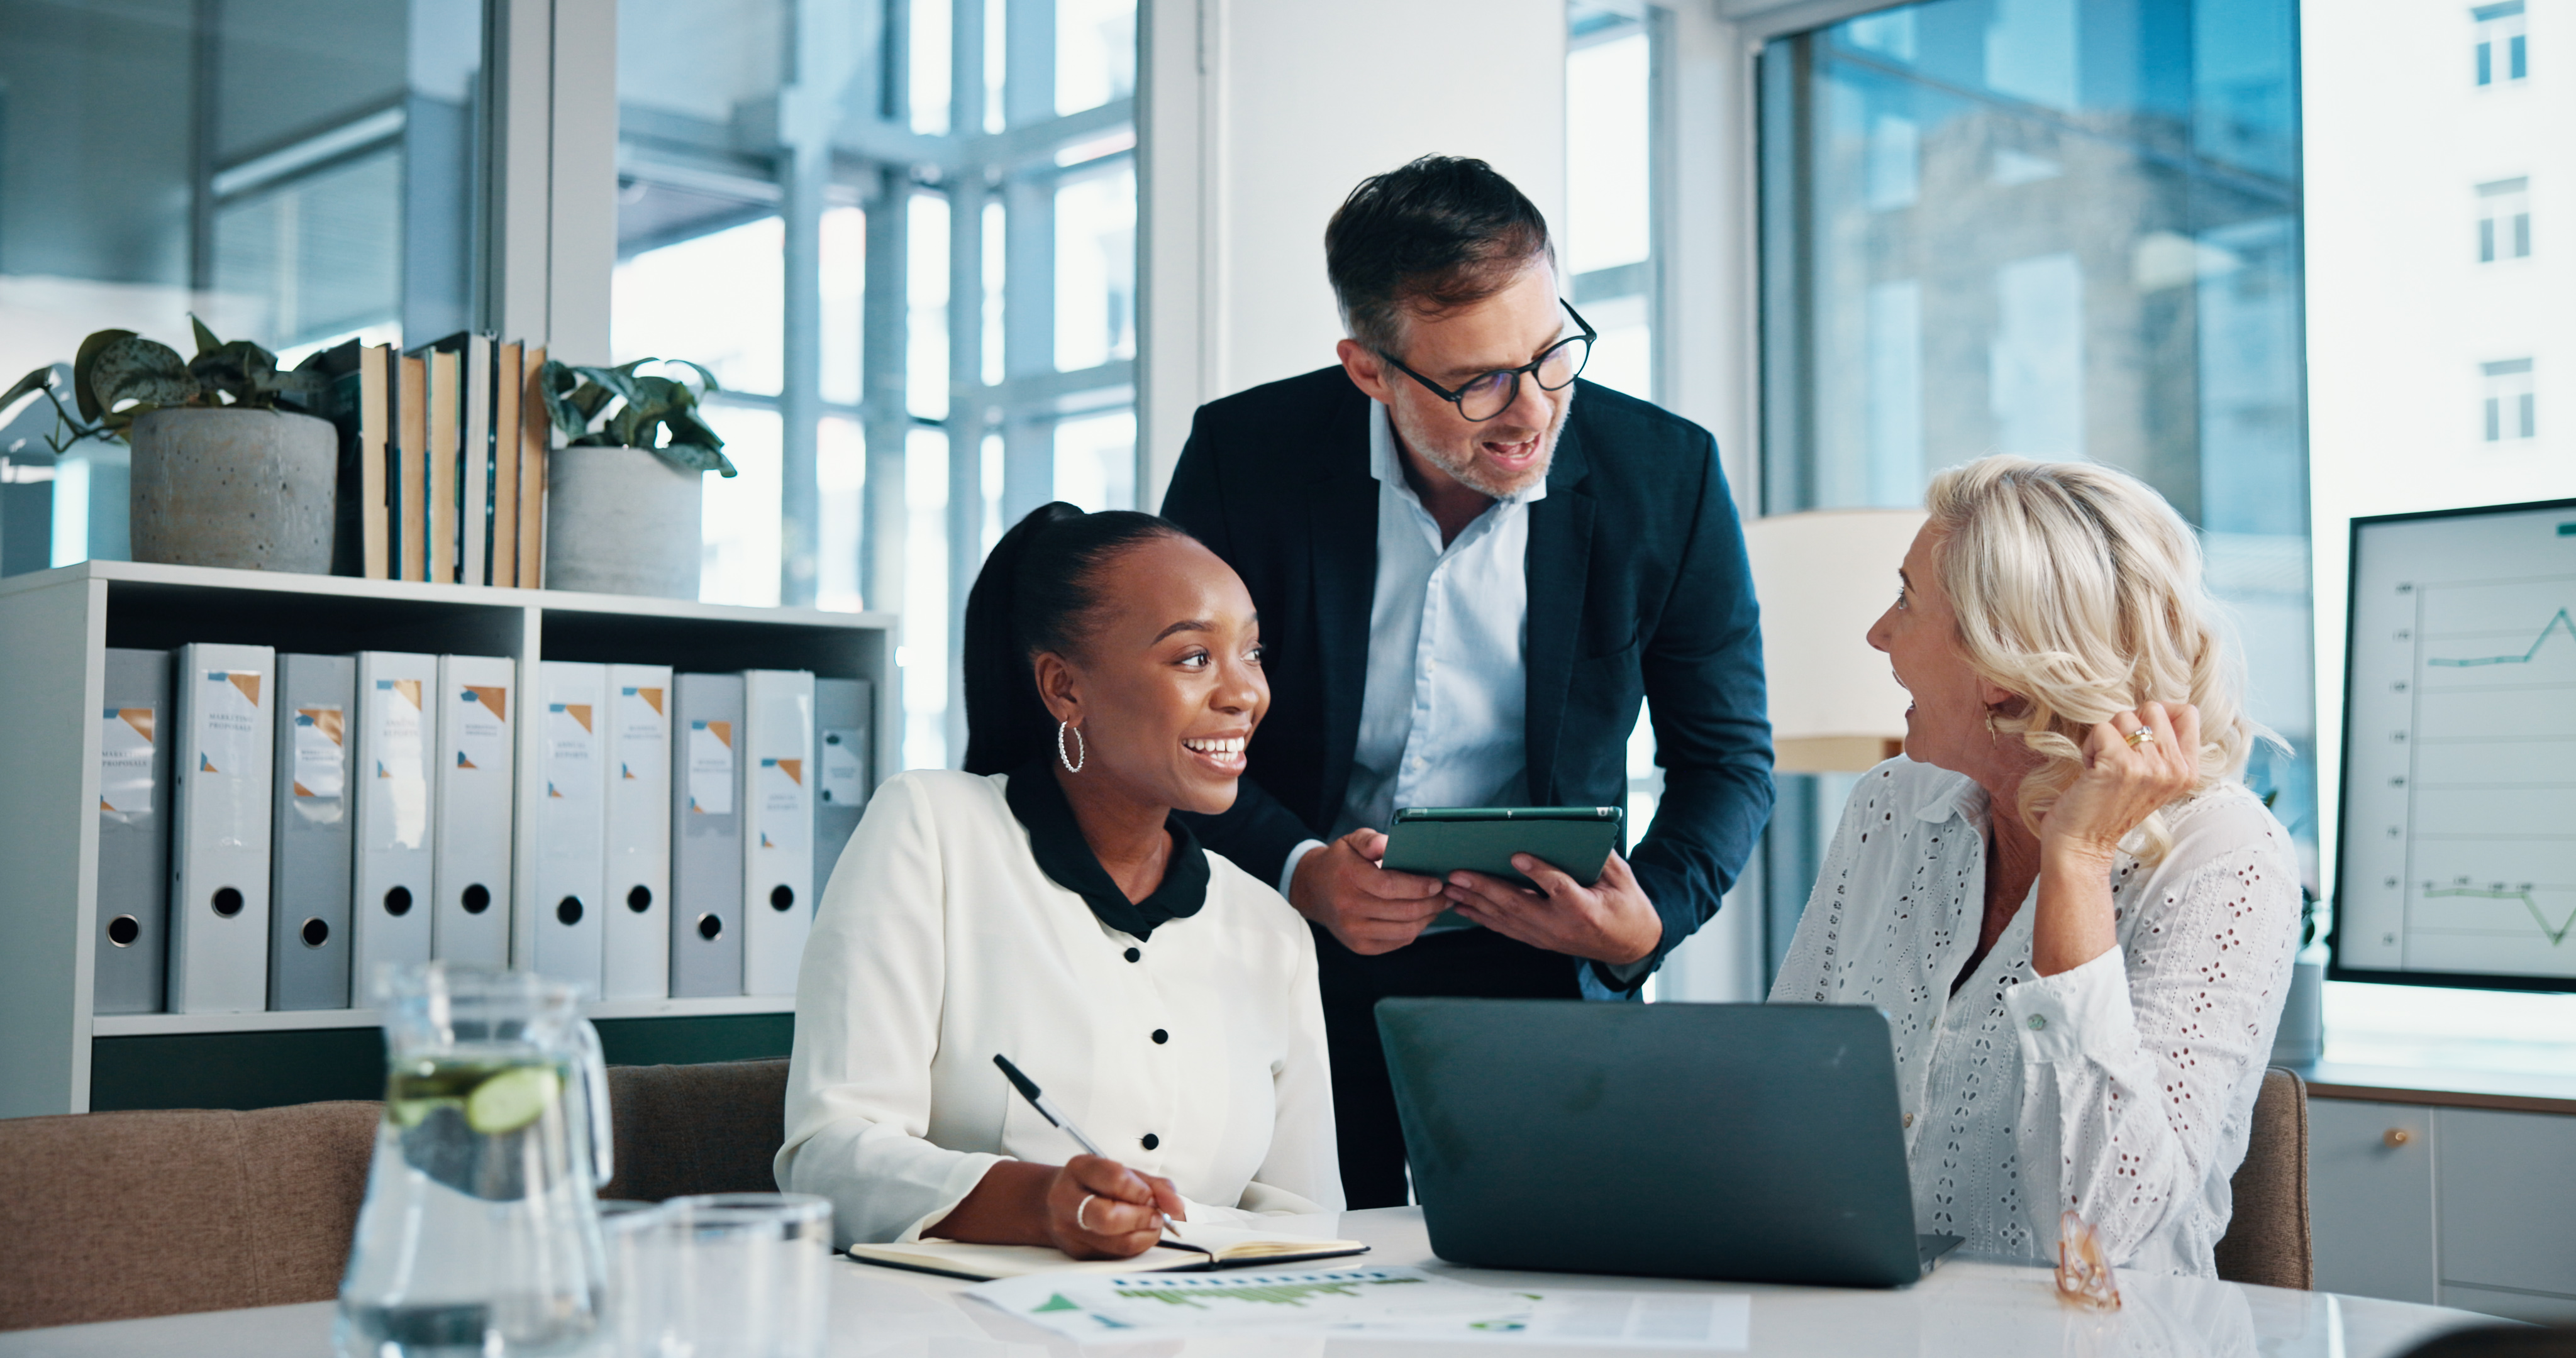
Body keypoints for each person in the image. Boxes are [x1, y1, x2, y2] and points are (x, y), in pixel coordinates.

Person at [1160, 155, 1774, 1207]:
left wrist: (1650, 921)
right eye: (1480, 380)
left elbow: (1727, 761)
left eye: (1551, 354)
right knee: (1307, 1288)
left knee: (1550, 1293)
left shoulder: (1663, 475)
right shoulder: (1246, 456)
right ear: (1369, 369)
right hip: (1290, 956)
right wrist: (1302, 866)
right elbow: (1171, 728)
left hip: (1546, 969)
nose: (1532, 411)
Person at [1770, 456, 2302, 1276]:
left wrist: (2079, 863)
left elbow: (2106, 1228)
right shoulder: (1890, 806)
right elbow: (1778, 1100)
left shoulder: (2225, 855)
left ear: (2001, 673)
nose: (1879, 633)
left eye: (1907, 601)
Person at [777, 503, 1341, 1254]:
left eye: (1252, 652)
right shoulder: (932, 830)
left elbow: (1310, 1221)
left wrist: (1171, 1230)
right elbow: (829, 1159)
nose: (1245, 694)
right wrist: (1042, 1203)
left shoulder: (1268, 925)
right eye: (1193, 658)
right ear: (1063, 689)